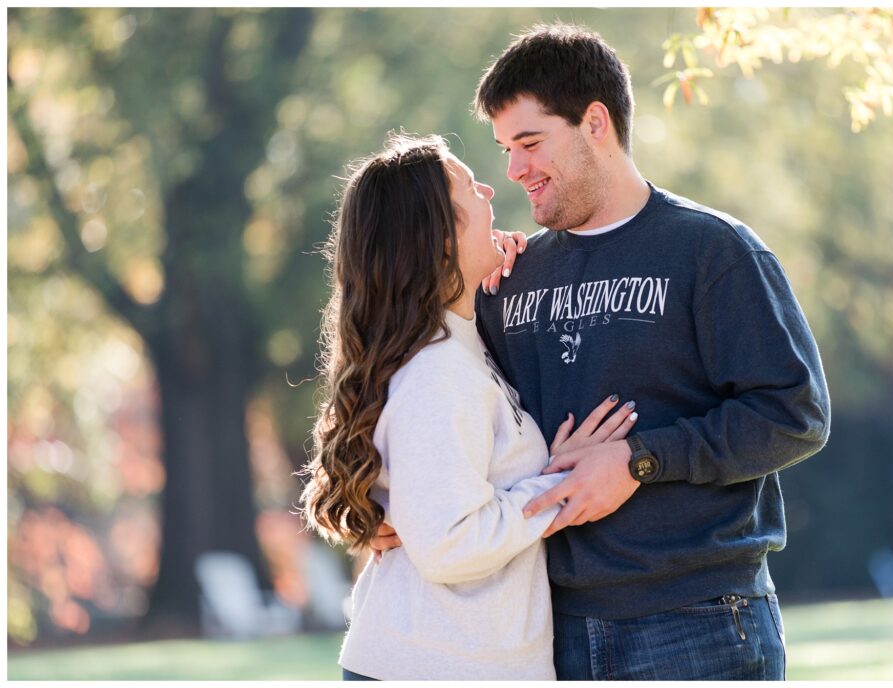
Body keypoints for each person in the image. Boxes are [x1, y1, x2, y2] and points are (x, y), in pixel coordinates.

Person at [467, 24, 832, 680]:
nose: (514, 169)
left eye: (529, 143)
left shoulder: (711, 250)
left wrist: (638, 460)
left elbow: (794, 415)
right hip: (551, 628)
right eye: (505, 149)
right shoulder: (508, 278)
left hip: (700, 620)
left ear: (595, 123)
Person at [298, 133, 640, 681]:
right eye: (466, 187)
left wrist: (492, 277)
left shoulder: (456, 342)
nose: (488, 188)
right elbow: (450, 544)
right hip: (436, 665)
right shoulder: (436, 371)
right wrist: (561, 483)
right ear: (439, 237)